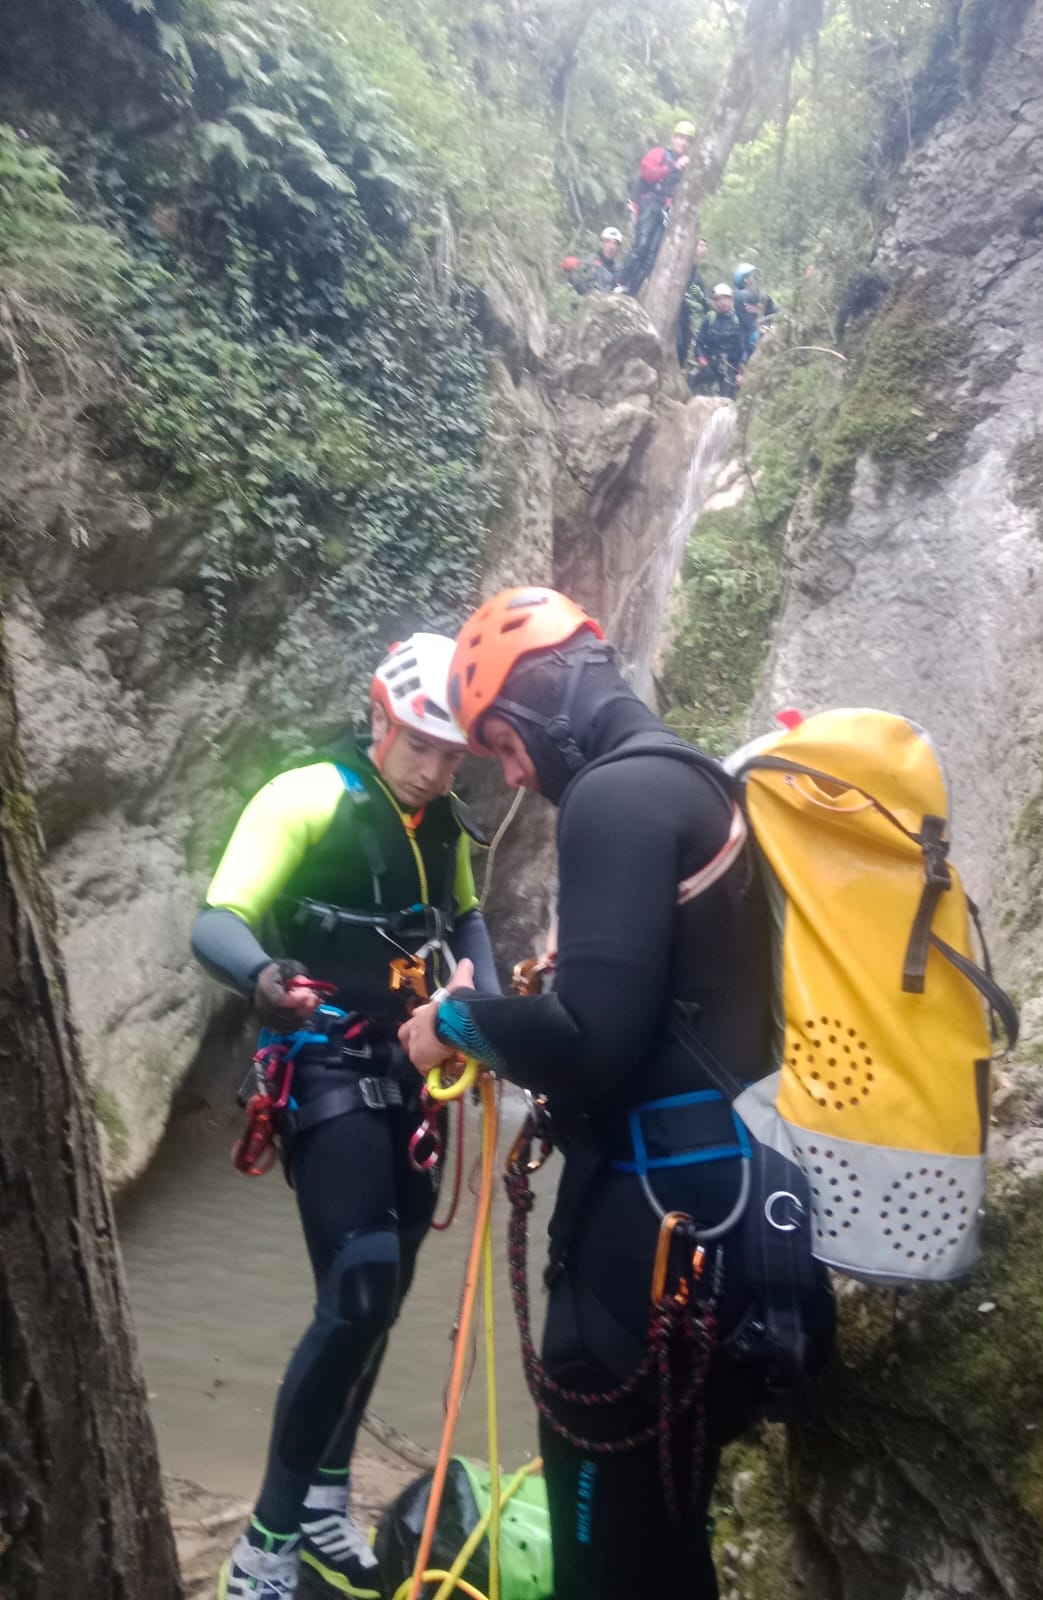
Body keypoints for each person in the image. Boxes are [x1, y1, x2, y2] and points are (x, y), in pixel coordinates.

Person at [401, 589, 833, 1600]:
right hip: (735, 1222)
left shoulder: (616, 796)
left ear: (540, 697)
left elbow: (589, 1045)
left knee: (603, 1565)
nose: (514, 774)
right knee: (670, 1544)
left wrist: (456, 1024)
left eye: (503, 745)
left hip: (644, 1243)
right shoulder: (693, 783)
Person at [193, 634, 500, 1600]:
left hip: (418, 1076)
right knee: (359, 1291)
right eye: (421, 744)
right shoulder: (306, 797)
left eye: (453, 754)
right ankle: (265, 1547)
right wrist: (264, 975)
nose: (436, 767)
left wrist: (486, 1010)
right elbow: (218, 918)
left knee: (389, 1288)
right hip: (322, 1062)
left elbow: (467, 921)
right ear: (379, 717)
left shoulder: (446, 821)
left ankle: (325, 1500)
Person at [621, 119, 695, 296]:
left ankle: (630, 293)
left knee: (651, 258)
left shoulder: (690, 166)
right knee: (641, 246)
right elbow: (647, 174)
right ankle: (620, 281)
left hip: (668, 211)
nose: (683, 142)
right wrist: (674, 166)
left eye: (687, 140)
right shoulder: (659, 153)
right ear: (673, 138)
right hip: (650, 202)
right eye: (680, 137)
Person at [689, 283, 746, 398]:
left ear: (731, 300)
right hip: (711, 364)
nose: (722, 302)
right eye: (718, 299)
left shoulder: (738, 321)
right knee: (692, 379)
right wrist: (701, 357)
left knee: (726, 399)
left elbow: (744, 350)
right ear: (714, 302)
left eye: (725, 298)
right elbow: (700, 341)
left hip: (730, 368)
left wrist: (741, 373)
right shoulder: (710, 319)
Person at [561, 226, 625, 295]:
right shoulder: (588, 263)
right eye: (607, 242)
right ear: (602, 243)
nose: (611, 246)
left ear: (618, 247)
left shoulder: (620, 271)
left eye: (615, 243)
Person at [676, 236, 709, 367]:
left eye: (705, 246)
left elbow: (702, 299)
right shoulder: (682, 266)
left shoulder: (697, 276)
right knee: (677, 343)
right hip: (675, 314)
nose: (704, 249)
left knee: (684, 347)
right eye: (701, 245)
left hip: (686, 316)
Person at [733, 261, 776, 359]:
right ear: (745, 280)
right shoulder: (739, 295)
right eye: (753, 276)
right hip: (745, 339)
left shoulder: (761, 298)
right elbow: (756, 297)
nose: (757, 279)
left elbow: (773, 309)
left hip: (759, 332)